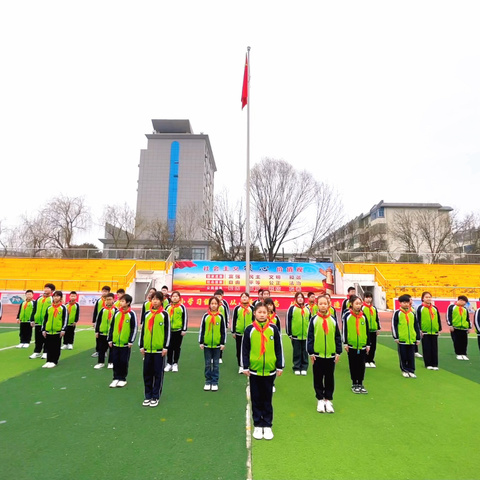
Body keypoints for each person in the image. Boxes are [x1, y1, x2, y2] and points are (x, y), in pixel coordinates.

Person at [242, 302, 284, 440]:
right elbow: (245, 349)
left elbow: (279, 347)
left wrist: (279, 366)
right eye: (259, 312)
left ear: (268, 314)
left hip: (270, 370)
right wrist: (245, 366)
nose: (262, 315)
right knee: (256, 398)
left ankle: (267, 425)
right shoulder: (249, 329)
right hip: (254, 370)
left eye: (264, 312)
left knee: (267, 399)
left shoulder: (273, 329)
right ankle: (258, 425)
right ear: (254, 313)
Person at [307, 295, 342, 413]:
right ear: (317, 305)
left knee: (329, 378)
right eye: (320, 303)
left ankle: (328, 399)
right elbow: (310, 337)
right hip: (317, 355)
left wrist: (338, 351)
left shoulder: (332, 319)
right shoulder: (314, 319)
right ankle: (320, 399)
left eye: (325, 303)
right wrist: (311, 352)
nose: (323, 305)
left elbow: (337, 336)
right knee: (318, 377)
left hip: (330, 355)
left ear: (329, 305)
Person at [139, 291, 170, 407]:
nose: (155, 301)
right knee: (147, 373)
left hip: (159, 350)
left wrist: (165, 347)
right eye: (153, 299)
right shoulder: (147, 314)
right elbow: (143, 331)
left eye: (157, 299)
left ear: (161, 301)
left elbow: (167, 332)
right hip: (147, 350)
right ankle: (148, 395)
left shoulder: (165, 314)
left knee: (158, 374)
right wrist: (141, 346)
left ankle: (155, 396)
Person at [107, 294, 137, 388]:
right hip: (115, 342)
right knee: (115, 361)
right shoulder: (116, 313)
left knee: (123, 361)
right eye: (120, 301)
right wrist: (110, 339)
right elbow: (112, 327)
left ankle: (122, 378)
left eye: (123, 301)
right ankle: (115, 378)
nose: (121, 303)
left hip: (125, 343)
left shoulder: (131, 314)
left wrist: (131, 341)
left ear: (128, 303)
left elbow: (134, 328)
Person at [342, 295, 370, 393]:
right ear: (351, 304)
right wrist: (345, 343)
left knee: (362, 365)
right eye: (356, 303)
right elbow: (344, 330)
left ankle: (360, 383)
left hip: (362, 345)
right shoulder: (347, 315)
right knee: (353, 365)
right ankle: (354, 383)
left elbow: (367, 330)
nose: (358, 306)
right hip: (351, 345)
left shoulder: (363, 316)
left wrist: (368, 344)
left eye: (360, 304)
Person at [198, 297, 226, 391]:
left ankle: (215, 382)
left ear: (218, 305)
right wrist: (201, 342)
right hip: (207, 344)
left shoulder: (220, 317)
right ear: (209, 305)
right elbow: (202, 329)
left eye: (215, 303)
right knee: (207, 363)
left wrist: (222, 343)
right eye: (212, 303)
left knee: (216, 364)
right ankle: (208, 381)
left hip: (217, 345)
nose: (213, 305)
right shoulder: (206, 316)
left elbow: (223, 331)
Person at [392, 294, 421, 378]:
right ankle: (404, 370)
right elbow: (394, 325)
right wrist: (396, 337)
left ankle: (411, 370)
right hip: (402, 339)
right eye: (403, 302)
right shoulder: (397, 313)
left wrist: (418, 338)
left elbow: (416, 326)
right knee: (403, 355)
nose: (405, 304)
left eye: (407, 302)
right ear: (400, 303)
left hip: (411, 338)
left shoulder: (412, 313)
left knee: (411, 356)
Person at [41, 290, 68, 368]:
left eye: (57, 296)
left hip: (57, 331)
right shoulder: (49, 307)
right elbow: (45, 319)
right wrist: (43, 329)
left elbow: (65, 319)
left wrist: (63, 329)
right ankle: (48, 360)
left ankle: (54, 361)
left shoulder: (63, 308)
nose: (56, 298)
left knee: (56, 346)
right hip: (49, 330)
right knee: (48, 346)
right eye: (54, 296)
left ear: (60, 298)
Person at [286, 292, 310, 375]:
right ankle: (296, 367)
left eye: (301, 297)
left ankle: (304, 367)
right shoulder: (292, 309)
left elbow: (310, 322)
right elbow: (288, 321)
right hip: (295, 335)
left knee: (305, 352)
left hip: (306, 336)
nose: (300, 299)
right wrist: (289, 333)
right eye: (298, 297)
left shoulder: (307, 309)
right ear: (295, 299)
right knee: (297, 352)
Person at [416, 291, 442, 370]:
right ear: (423, 299)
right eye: (426, 297)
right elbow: (417, 320)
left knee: (434, 348)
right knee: (426, 348)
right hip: (425, 332)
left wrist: (439, 329)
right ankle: (428, 363)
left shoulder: (434, 308)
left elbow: (438, 319)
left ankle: (435, 364)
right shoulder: (420, 308)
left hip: (434, 331)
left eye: (429, 297)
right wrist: (419, 330)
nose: (428, 298)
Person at [29, 283, 55, 359]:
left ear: (52, 290)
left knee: (46, 338)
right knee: (38, 338)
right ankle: (37, 352)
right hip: (38, 321)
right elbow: (34, 309)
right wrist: (32, 319)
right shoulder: (39, 298)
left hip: (47, 322)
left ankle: (46, 352)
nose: (46, 289)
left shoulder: (52, 299)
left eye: (48, 288)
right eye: (45, 288)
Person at [165, 290, 188, 372]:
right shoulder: (168, 307)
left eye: (176, 296)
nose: (174, 298)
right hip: (169, 331)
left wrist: (184, 329)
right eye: (173, 296)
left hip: (178, 330)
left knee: (177, 347)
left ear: (179, 298)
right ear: (171, 298)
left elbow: (185, 318)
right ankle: (169, 363)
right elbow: (165, 319)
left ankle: (175, 363)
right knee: (169, 347)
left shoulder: (182, 307)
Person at [232, 292, 254, 374]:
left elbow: (254, 320)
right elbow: (234, 320)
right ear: (240, 299)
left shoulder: (252, 308)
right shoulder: (237, 308)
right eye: (243, 297)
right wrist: (233, 331)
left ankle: (248, 365)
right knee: (239, 349)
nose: (244, 298)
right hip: (239, 333)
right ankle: (240, 366)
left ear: (249, 298)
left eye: (246, 297)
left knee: (249, 349)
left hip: (249, 333)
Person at [94, 293, 117, 369]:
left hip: (112, 334)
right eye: (107, 300)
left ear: (113, 300)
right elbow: (98, 321)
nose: (108, 301)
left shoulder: (116, 310)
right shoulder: (102, 310)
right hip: (102, 332)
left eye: (110, 299)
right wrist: (97, 331)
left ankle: (111, 362)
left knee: (112, 349)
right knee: (101, 349)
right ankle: (101, 362)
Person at [446, 295, 471, 360]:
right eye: (464, 302)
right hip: (455, 327)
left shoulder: (465, 309)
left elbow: (467, 318)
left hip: (464, 328)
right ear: (460, 300)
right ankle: (458, 354)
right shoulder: (452, 307)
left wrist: (469, 327)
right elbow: (448, 316)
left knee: (464, 342)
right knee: (456, 341)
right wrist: (450, 325)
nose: (465, 303)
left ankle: (464, 354)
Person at [91, 286, 111, 357]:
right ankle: (98, 351)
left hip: (107, 322)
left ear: (108, 292)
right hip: (99, 321)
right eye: (103, 291)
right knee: (98, 336)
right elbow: (95, 311)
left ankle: (104, 351)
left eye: (106, 291)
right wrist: (94, 321)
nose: (104, 292)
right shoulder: (99, 301)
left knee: (106, 337)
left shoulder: (110, 301)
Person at [362, 292, 380, 368]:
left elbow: (376, 318)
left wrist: (378, 328)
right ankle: (365, 360)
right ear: (364, 298)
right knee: (366, 345)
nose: (368, 299)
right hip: (366, 330)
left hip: (373, 330)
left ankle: (371, 360)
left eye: (370, 297)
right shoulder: (362, 307)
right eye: (367, 297)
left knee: (373, 346)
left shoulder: (374, 308)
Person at [214, 289, 229, 364]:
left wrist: (226, 324)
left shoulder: (224, 305)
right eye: (216, 296)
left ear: (221, 297)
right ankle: (213, 356)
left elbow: (227, 314)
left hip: (221, 325)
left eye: (219, 296)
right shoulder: (212, 304)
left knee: (221, 340)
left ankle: (220, 356)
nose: (218, 298)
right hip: (213, 325)